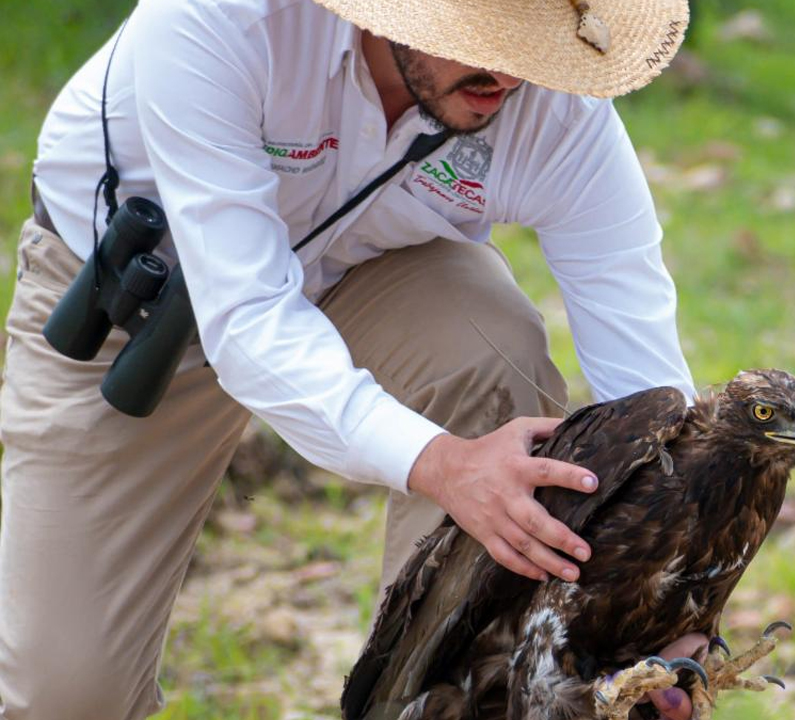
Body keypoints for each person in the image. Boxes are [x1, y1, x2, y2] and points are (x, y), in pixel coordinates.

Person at [0, 0, 707, 717]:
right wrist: (442, 464)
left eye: (530, 39)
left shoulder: (561, 116)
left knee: (491, 343)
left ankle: (449, 695)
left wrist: (666, 608)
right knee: (65, 691)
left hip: (366, 276)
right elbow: (247, 318)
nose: (508, 70)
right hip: (133, 303)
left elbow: (648, 385)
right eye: (478, 36)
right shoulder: (216, 19)